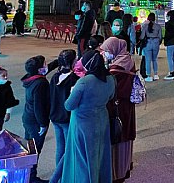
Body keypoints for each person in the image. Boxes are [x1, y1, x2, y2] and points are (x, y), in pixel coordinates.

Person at [58, 50, 115, 183]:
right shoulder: (110, 79)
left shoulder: (84, 82)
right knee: (100, 155)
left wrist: (72, 92)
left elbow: (69, 105)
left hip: (83, 124)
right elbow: (111, 97)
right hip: (102, 120)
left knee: (82, 159)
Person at [100, 37, 137, 182]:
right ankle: (125, 166)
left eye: (107, 50)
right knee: (125, 136)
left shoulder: (117, 69)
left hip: (118, 109)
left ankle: (117, 172)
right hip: (127, 107)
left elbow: (112, 90)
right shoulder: (127, 60)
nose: (105, 53)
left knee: (118, 138)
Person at [22, 55, 57, 183]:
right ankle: (31, 176)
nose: (46, 66)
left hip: (27, 117)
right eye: (44, 64)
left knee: (28, 147)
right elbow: (39, 107)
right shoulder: (41, 83)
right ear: (39, 69)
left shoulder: (30, 78)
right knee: (35, 149)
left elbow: (46, 69)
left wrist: (58, 62)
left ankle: (26, 173)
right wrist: (43, 124)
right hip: (36, 120)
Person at [49, 50, 80, 167]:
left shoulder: (55, 77)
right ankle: (67, 172)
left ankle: (59, 171)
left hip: (55, 116)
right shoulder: (74, 79)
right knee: (69, 146)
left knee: (60, 146)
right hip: (67, 117)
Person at [0, 66, 19, 132]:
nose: (6, 77)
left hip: (0, 113)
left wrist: (8, 113)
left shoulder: (7, 87)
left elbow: (10, 100)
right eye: (3, 76)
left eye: (6, 75)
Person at [140, 13, 162, 82]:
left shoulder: (145, 26)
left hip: (147, 43)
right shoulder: (158, 26)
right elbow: (160, 37)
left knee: (148, 60)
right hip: (156, 43)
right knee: (154, 59)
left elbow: (142, 36)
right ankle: (156, 74)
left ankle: (148, 75)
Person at [163, 10, 174, 80]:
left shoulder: (168, 24)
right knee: (173, 57)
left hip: (171, 42)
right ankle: (173, 72)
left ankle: (172, 73)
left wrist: (165, 41)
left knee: (170, 57)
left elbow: (168, 34)